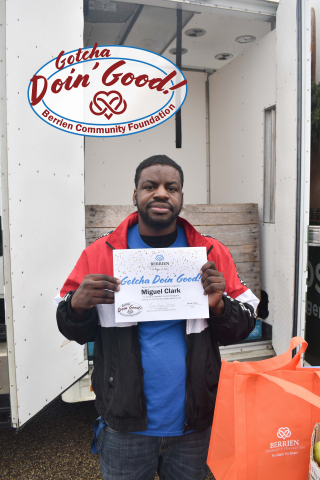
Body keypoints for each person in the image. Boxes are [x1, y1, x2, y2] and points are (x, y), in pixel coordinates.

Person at [56, 155, 258, 480]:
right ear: (134, 195)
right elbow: (70, 326)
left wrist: (220, 306)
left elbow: (244, 324)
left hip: (193, 426)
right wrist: (77, 306)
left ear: (181, 197)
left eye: (171, 187)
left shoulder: (210, 253)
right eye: (150, 186)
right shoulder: (101, 253)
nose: (161, 193)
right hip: (125, 426)